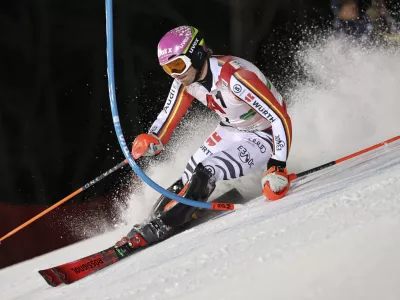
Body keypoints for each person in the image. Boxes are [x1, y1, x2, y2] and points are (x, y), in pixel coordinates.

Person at [116, 25, 292, 249]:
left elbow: (280, 118)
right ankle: (153, 219)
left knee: (207, 169)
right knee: (190, 173)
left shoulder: (236, 78)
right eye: (168, 69)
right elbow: (168, 117)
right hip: (230, 129)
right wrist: (153, 138)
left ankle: (169, 223)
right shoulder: (184, 83)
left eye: (178, 65)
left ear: (196, 54)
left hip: (264, 134)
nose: (175, 74)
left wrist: (277, 165)